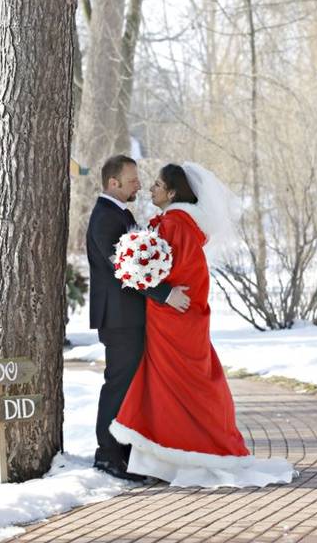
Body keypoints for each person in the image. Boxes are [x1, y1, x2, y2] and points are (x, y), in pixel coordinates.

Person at [109, 162, 297, 487]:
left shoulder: (175, 224)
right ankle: (167, 460)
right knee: (164, 388)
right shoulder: (178, 223)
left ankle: (189, 457)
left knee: (175, 387)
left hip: (173, 321)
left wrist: (160, 290)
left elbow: (183, 276)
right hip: (173, 319)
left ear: (171, 192)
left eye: (156, 184)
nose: (150, 189)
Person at [86, 155, 191, 481]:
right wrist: (166, 294)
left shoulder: (119, 213)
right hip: (118, 319)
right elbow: (125, 268)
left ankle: (125, 451)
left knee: (131, 386)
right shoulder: (105, 217)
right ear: (113, 183)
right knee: (119, 385)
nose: (140, 185)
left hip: (129, 316)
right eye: (133, 181)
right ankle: (107, 454)